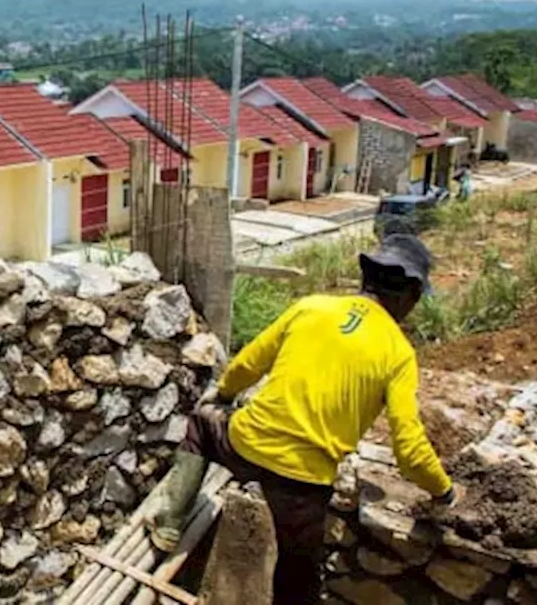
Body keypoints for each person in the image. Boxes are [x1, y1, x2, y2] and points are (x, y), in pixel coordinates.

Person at [148, 233, 458, 604]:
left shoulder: (310, 307)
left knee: (202, 423)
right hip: (302, 485)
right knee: (297, 580)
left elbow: (248, 363)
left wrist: (226, 396)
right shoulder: (398, 353)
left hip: (245, 446)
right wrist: (444, 490)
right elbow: (408, 447)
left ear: (366, 278)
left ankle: (169, 524)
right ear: (410, 294)